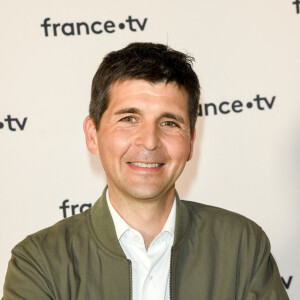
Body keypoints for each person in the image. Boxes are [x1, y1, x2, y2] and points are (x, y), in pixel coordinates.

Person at [3, 43, 288, 300]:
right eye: (129, 118)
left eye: (169, 123)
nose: (149, 141)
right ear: (93, 135)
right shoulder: (39, 261)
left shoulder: (242, 247)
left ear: (190, 142)